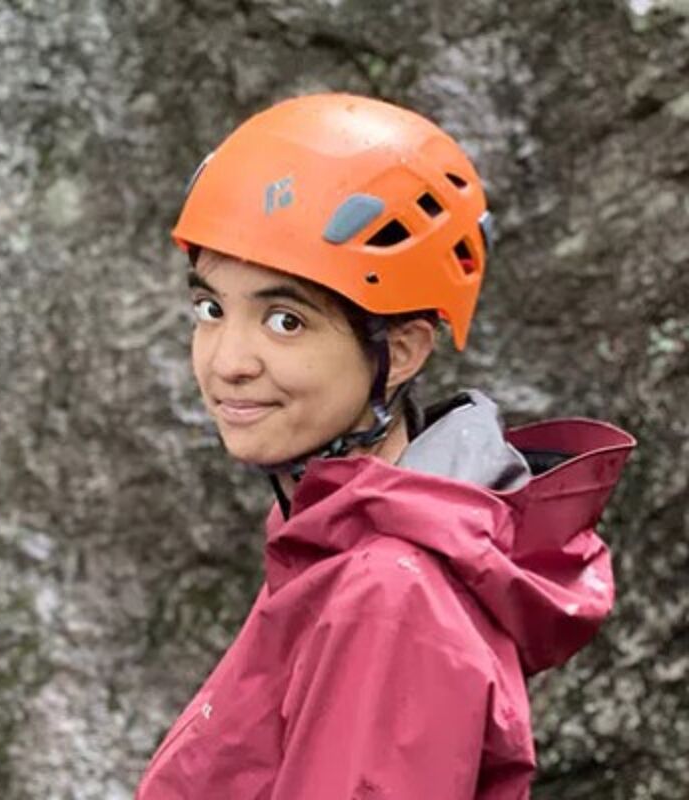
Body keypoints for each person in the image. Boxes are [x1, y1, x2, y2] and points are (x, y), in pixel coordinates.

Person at [136, 94, 635, 799]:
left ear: (399, 352)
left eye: (285, 320)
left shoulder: (390, 592)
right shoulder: (343, 537)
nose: (227, 360)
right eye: (211, 309)